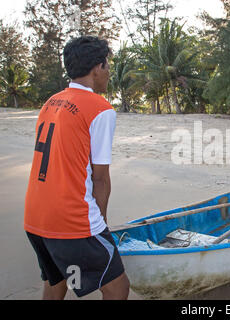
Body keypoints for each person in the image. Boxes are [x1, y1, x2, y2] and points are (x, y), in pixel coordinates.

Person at [24, 36, 130, 300]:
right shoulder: (100, 109)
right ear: (97, 68)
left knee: (56, 281)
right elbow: (101, 178)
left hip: (35, 216)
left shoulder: (51, 102)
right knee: (118, 287)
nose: (108, 73)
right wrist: (100, 226)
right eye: (107, 66)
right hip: (70, 219)